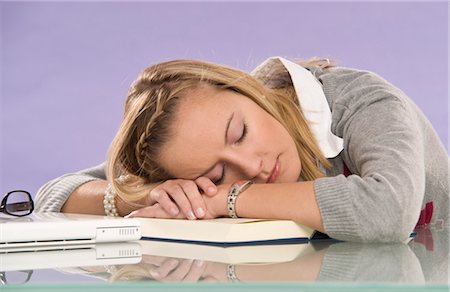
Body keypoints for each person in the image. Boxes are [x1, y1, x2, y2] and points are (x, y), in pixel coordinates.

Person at [35, 56, 449, 242]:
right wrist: (152, 197)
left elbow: (389, 211)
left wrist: (221, 198)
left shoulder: (359, 101)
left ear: (247, 89)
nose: (251, 165)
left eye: (240, 132)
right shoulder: (188, 153)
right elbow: (52, 194)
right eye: (215, 174)